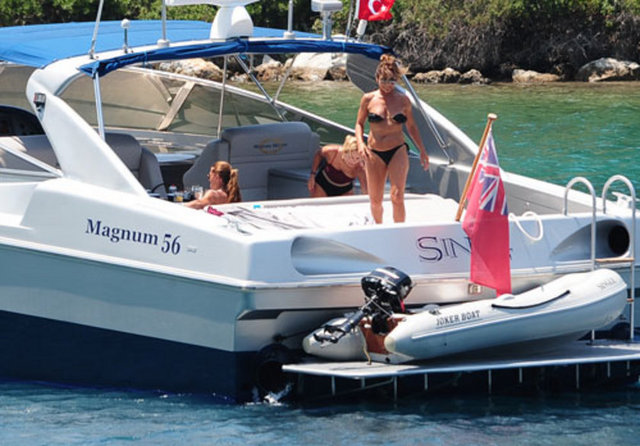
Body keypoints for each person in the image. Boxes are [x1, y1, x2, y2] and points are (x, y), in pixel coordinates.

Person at [355, 54, 429, 223]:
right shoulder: (368, 99)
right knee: (375, 201)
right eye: (384, 80)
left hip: (397, 150)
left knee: (397, 196)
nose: (388, 85)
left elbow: (411, 127)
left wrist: (422, 150)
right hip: (374, 152)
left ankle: (399, 231)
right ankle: (379, 229)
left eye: (392, 81)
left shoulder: (403, 100)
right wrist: (360, 143)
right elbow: (359, 123)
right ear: (377, 78)